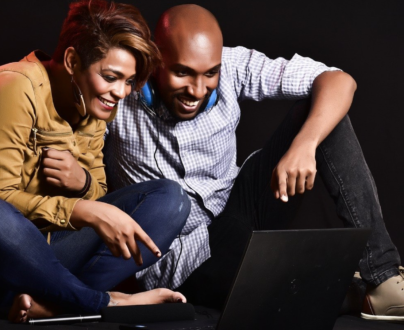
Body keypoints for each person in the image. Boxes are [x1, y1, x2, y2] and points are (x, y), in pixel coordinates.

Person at [103, 4, 404, 322]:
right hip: (182, 262)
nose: (197, 90)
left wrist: (305, 144)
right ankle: (343, 292)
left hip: (238, 215)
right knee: (289, 294)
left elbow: (340, 81)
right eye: (182, 72)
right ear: (154, 58)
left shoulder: (233, 66)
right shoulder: (121, 89)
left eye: (209, 74)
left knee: (321, 116)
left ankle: (382, 278)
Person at [0, 0, 192, 324]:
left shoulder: (97, 105)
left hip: (38, 265)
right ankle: (102, 302)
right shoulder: (12, 87)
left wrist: (82, 183)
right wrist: (79, 209)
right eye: (112, 77)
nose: (121, 92)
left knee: (170, 200)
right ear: (72, 61)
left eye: (128, 81)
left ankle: (52, 303)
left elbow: (98, 200)